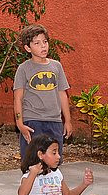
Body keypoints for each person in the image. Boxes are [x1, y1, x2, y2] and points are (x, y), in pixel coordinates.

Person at [13, 24, 71, 162]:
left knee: (53, 162)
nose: (43, 46)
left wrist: (67, 121)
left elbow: (62, 94)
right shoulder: (24, 68)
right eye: (37, 43)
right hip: (33, 121)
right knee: (33, 162)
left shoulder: (56, 66)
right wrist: (20, 124)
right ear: (28, 48)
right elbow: (18, 98)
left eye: (45, 41)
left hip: (55, 121)